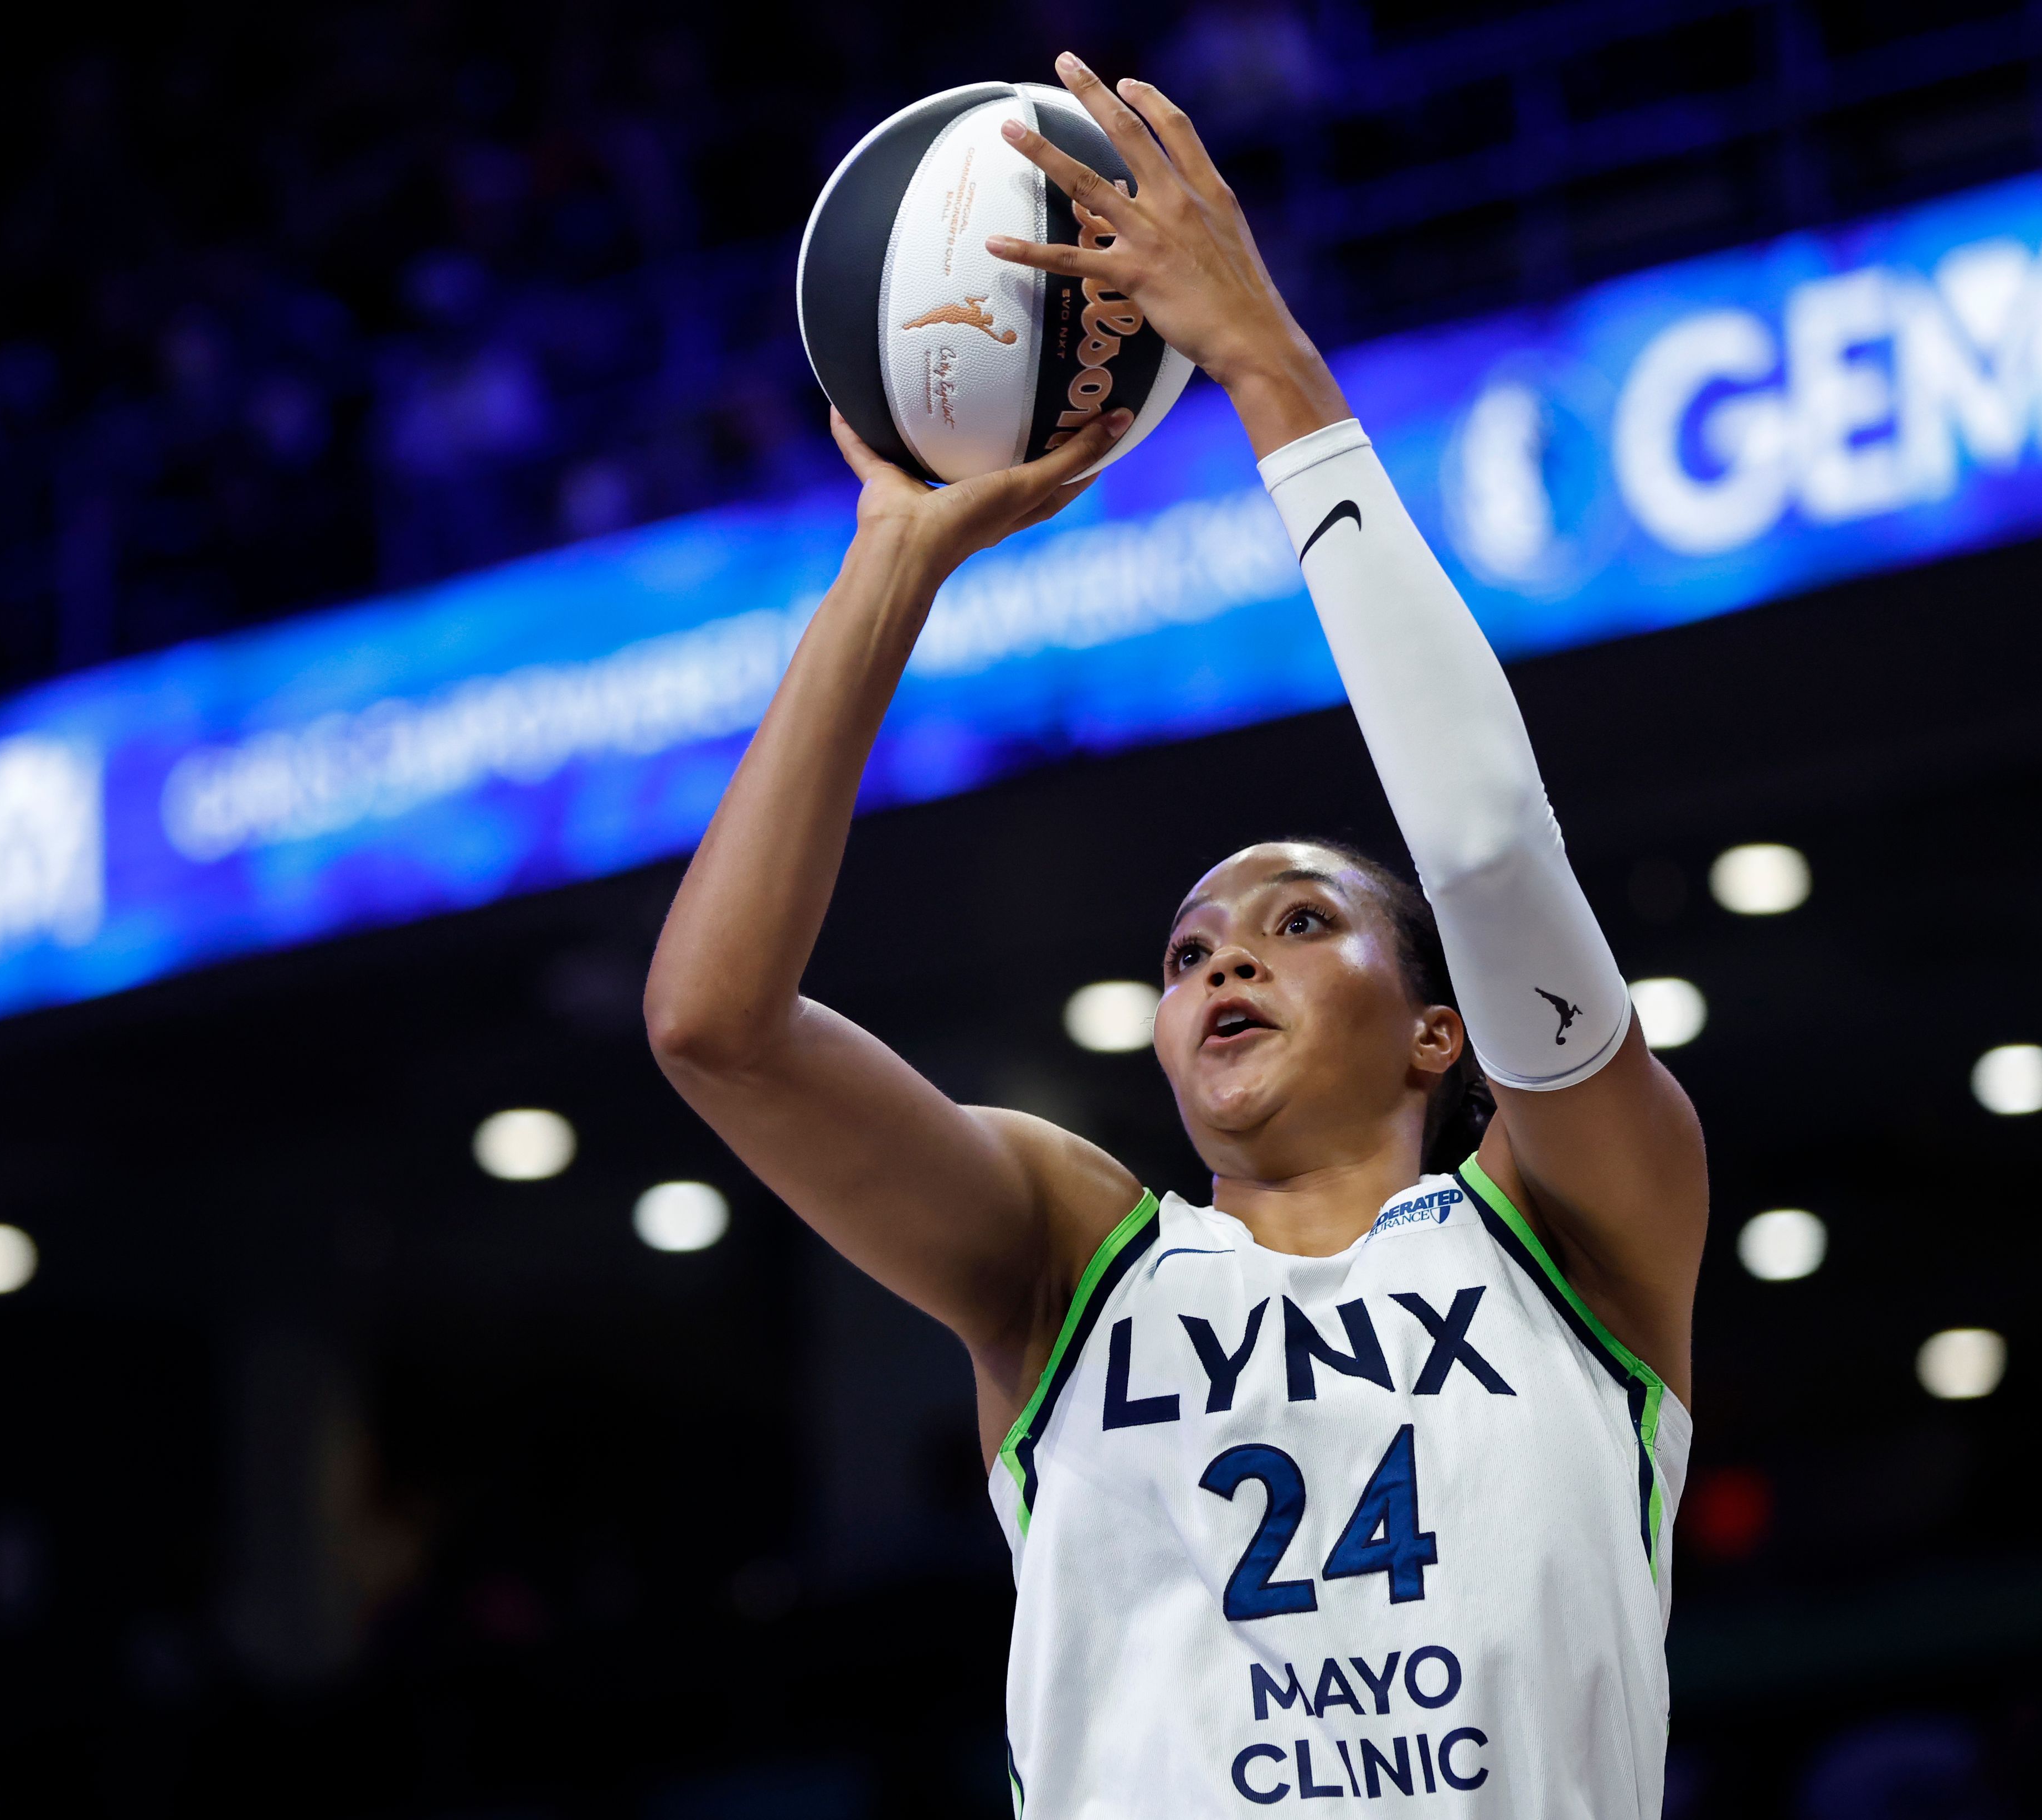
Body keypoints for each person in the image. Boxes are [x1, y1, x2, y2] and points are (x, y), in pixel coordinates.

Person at [645, 51, 1707, 1817]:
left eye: (1297, 923)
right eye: (1188, 949)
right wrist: (890, 565)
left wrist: (1268, 370)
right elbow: (717, 1031)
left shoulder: (1584, 1223)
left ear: (1442, 1031)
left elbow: (1487, 840)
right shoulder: (1076, 1260)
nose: (1221, 962)